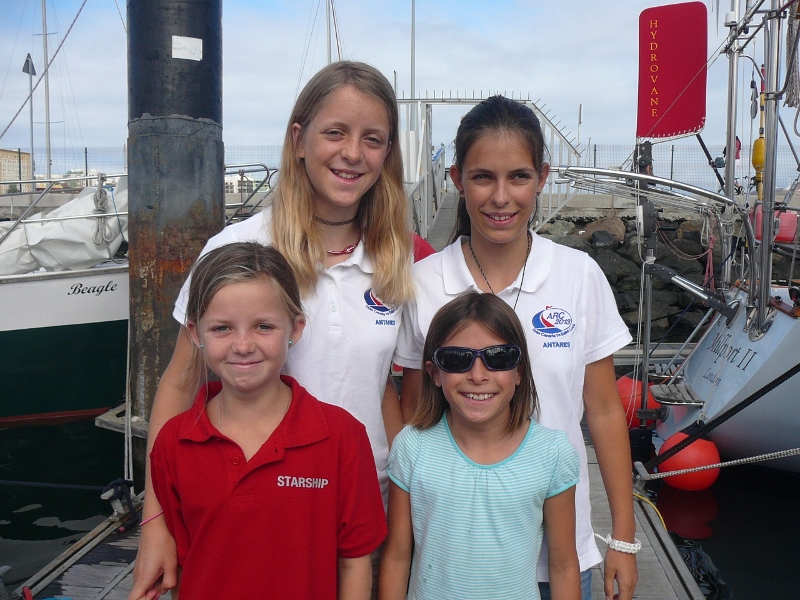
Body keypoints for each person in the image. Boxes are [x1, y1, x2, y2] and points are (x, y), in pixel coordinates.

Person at [130, 61, 415, 599]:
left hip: (363, 508)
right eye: (335, 132)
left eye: (372, 139)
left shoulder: (394, 258)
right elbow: (180, 384)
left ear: (387, 153)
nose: (353, 153)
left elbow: (381, 385)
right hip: (258, 511)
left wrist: (407, 495)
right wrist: (156, 522)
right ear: (299, 139)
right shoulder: (238, 248)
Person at [393, 96, 639, 600]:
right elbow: (417, 413)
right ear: (457, 180)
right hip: (453, 555)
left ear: (542, 177)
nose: (501, 197)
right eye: (483, 177)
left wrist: (623, 536)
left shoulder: (579, 275)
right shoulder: (422, 283)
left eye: (519, 177)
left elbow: (603, 410)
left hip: (562, 558)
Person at [149, 242, 386, 598]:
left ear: (296, 328)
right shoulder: (173, 442)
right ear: (195, 333)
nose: (243, 345)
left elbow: (354, 563)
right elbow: (184, 564)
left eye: (263, 326)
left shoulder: (342, 437)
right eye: (222, 329)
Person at [380, 292, 580, 599]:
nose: (477, 375)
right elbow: (396, 557)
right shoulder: (411, 447)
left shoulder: (552, 453)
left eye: (498, 358)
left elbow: (564, 565)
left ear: (519, 372)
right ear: (434, 374)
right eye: (457, 360)